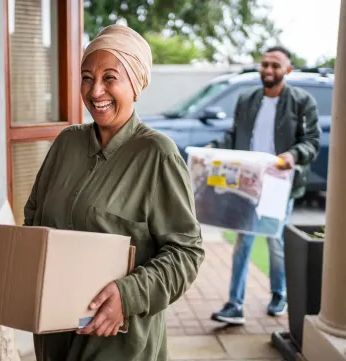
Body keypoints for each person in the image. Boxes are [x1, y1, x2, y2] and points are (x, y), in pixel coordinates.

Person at [23, 24, 204, 361]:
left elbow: (186, 253)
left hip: (119, 347)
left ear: (135, 84)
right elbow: (33, 218)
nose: (95, 91)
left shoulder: (157, 155)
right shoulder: (67, 143)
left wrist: (128, 295)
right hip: (54, 340)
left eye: (110, 77)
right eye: (87, 77)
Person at [209, 46, 321, 324]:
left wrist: (292, 155)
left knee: (274, 240)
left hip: (279, 183)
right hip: (249, 180)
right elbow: (234, 134)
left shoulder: (301, 101)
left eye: (275, 65)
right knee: (243, 240)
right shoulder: (247, 99)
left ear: (288, 70)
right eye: (265, 64)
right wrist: (214, 149)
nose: (268, 70)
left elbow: (312, 141)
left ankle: (279, 293)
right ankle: (235, 304)